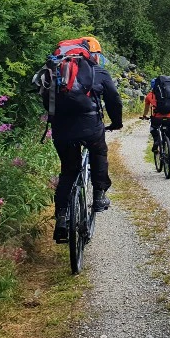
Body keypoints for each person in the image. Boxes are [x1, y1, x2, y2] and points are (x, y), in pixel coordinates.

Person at [51, 36, 122, 243]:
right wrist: (116, 122)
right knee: (99, 151)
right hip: (90, 126)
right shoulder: (98, 71)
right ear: (93, 55)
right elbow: (114, 99)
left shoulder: (56, 70)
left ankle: (61, 219)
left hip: (61, 128)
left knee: (68, 171)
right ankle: (99, 196)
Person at [141, 76, 170, 157]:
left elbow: (146, 109)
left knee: (153, 128)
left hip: (157, 118)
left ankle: (156, 141)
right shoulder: (169, 93)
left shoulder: (150, 95)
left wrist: (144, 116)